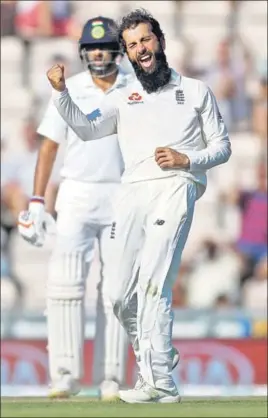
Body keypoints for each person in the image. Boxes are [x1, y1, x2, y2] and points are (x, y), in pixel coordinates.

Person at [46, 9, 232, 403]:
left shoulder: (196, 90)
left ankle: (161, 382)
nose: (140, 49)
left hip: (176, 187)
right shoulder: (123, 97)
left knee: (153, 285)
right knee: (116, 295)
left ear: (159, 41)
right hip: (131, 194)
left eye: (145, 40)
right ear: (128, 54)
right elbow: (85, 127)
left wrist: (187, 160)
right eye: (132, 45)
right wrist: (61, 93)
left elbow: (222, 147)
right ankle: (160, 352)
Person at [17, 16, 131, 400]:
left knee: (116, 289)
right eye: (92, 47)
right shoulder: (71, 88)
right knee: (65, 284)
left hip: (121, 194)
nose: (99, 52)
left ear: (118, 50)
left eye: (105, 46)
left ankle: (112, 377)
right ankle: (64, 375)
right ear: (83, 52)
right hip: (78, 193)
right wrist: (36, 200)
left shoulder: (136, 87)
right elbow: (49, 146)